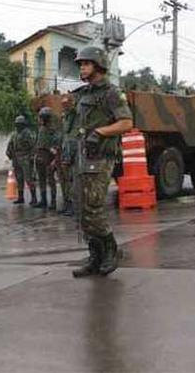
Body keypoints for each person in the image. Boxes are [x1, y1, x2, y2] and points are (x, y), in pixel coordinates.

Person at [69, 46, 133, 278]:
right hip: (82, 156)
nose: (82, 68)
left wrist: (101, 132)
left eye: (86, 64)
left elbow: (126, 122)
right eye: (81, 64)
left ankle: (111, 251)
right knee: (82, 210)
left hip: (100, 158)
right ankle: (95, 257)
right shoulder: (84, 94)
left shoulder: (111, 93)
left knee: (93, 208)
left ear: (97, 65)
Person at [5, 115, 37, 205]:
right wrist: (8, 152)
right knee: (19, 178)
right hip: (16, 157)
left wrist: (31, 156)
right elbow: (10, 143)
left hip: (25, 156)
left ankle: (34, 198)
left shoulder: (27, 133)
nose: (18, 126)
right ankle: (20, 197)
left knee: (28, 178)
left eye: (19, 124)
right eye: (17, 124)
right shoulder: (15, 133)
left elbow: (33, 146)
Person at [34, 107, 60, 210]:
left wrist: (54, 158)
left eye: (43, 117)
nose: (41, 119)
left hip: (48, 155)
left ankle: (53, 202)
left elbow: (56, 144)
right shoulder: (41, 129)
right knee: (41, 180)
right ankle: (43, 200)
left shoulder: (53, 130)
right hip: (40, 155)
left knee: (50, 180)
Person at [57, 94, 76, 216]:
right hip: (65, 154)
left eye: (66, 104)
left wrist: (67, 158)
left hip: (71, 157)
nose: (64, 106)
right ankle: (67, 204)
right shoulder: (65, 118)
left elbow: (72, 142)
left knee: (71, 181)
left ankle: (72, 206)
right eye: (63, 104)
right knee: (65, 182)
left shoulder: (74, 116)